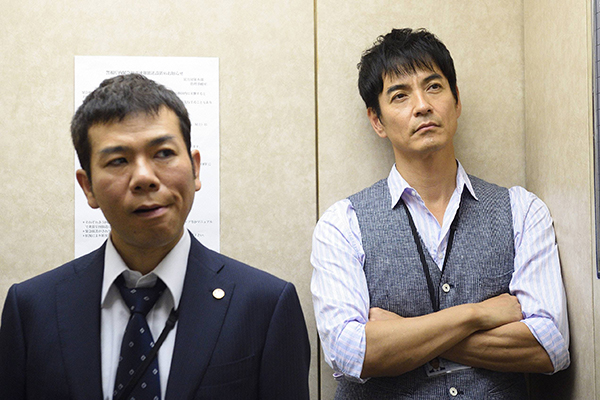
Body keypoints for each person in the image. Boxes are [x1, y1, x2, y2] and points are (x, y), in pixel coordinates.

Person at [0, 73, 311, 400]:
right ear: (87, 187)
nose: (144, 177)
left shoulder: (265, 306)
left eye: (163, 153)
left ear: (195, 168)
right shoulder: (32, 308)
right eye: (118, 160)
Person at [311, 28, 569, 399]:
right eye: (400, 95)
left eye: (434, 87)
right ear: (377, 121)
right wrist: (476, 315)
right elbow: (351, 353)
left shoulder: (522, 210)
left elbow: (550, 346)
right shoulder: (342, 224)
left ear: (456, 100)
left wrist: (401, 334)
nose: (422, 105)